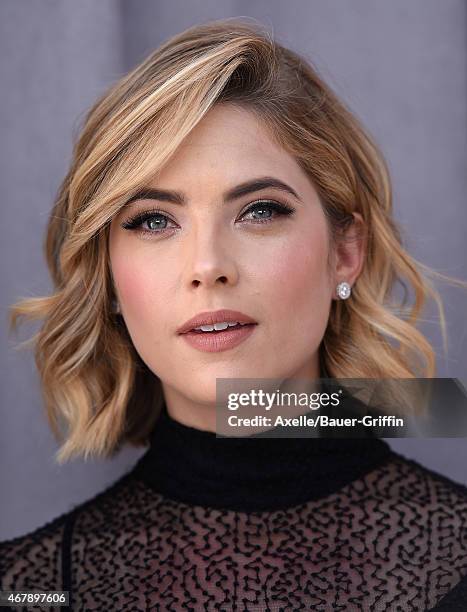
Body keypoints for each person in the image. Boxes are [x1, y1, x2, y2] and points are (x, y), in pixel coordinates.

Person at [1, 17, 466, 611]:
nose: (208, 265)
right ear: (109, 278)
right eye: (152, 220)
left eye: (260, 211)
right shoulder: (27, 587)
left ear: (345, 253)